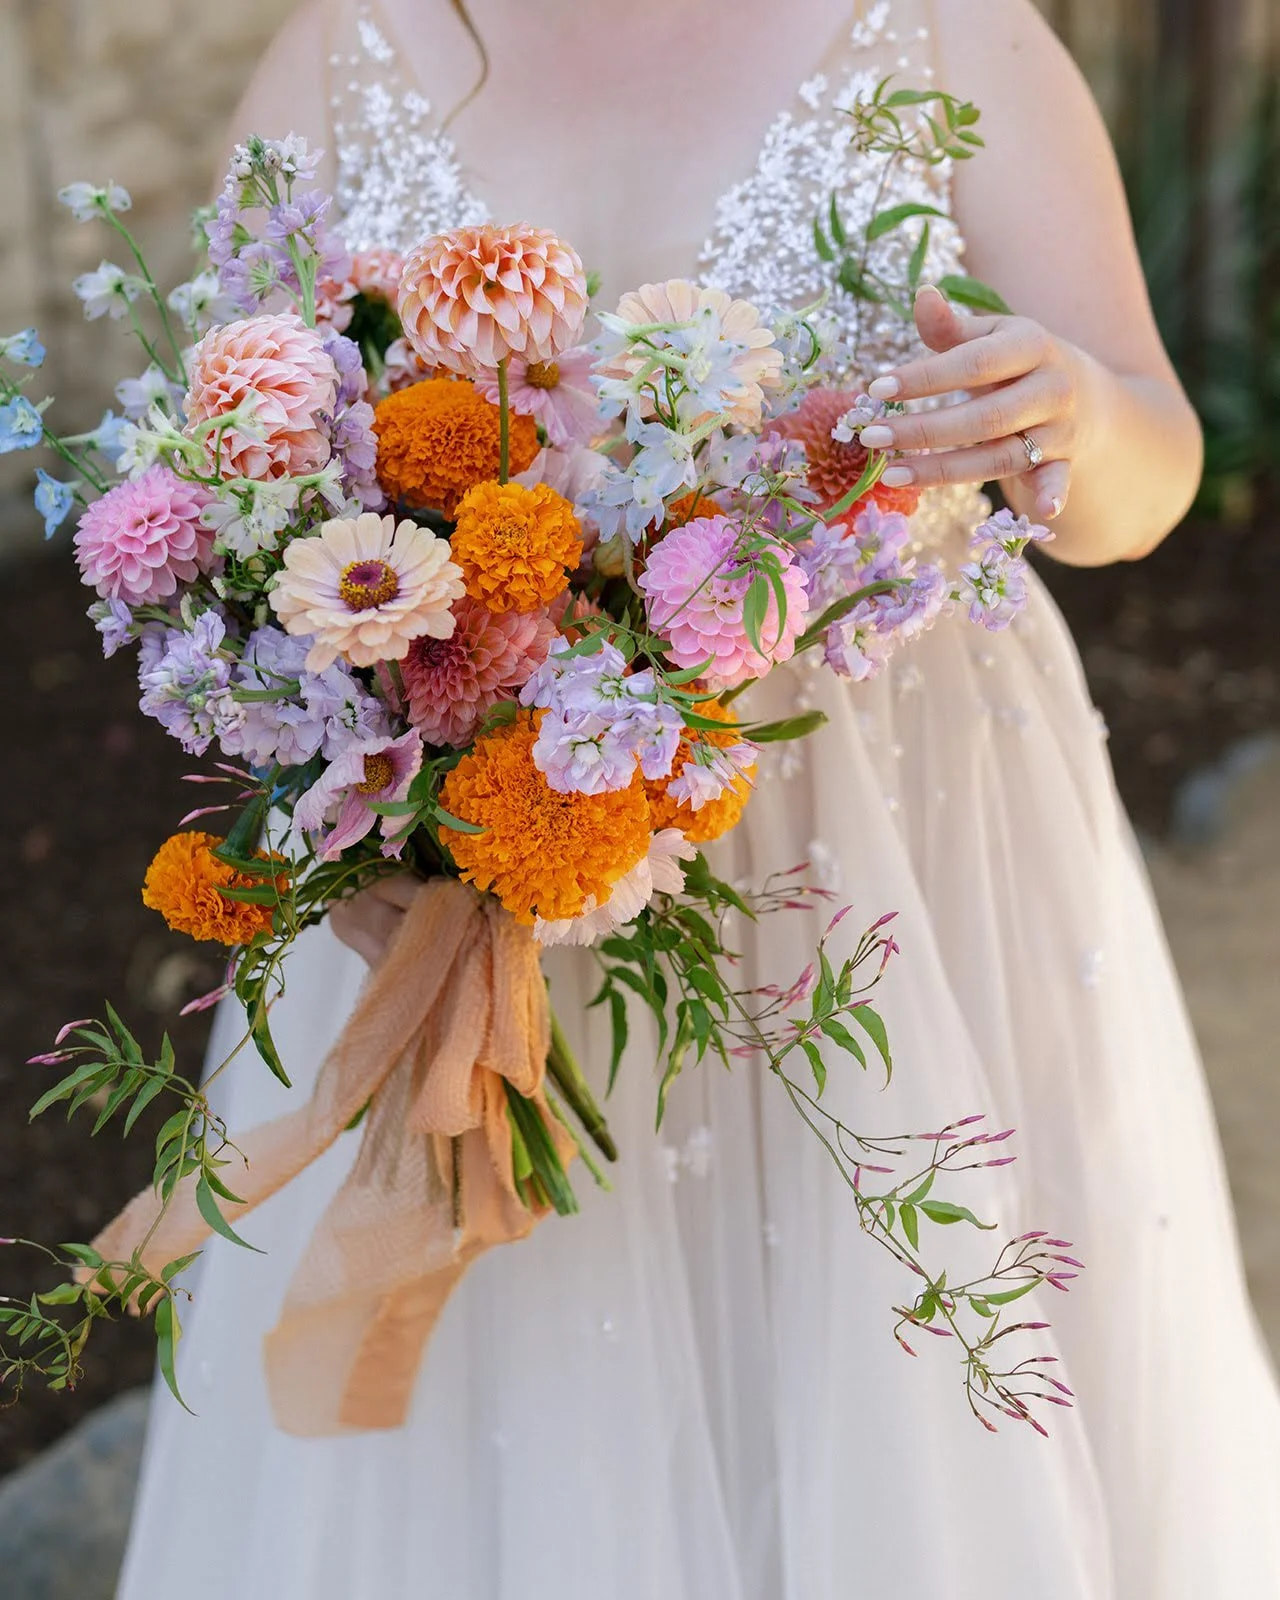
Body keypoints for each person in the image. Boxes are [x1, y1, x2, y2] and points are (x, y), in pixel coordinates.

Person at [117, 1, 1280, 1595]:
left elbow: (1146, 473)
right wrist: (352, 822)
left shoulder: (954, 39)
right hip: (472, 868)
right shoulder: (339, 48)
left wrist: (1078, 417)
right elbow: (236, 523)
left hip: (880, 874)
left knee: (886, 1389)